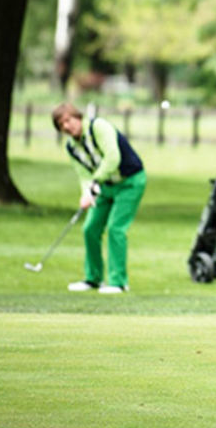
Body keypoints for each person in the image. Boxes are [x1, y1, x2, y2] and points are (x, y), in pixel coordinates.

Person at [52, 102, 147, 294]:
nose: (67, 127)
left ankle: (118, 282)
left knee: (116, 228)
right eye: (61, 125)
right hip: (104, 186)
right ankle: (93, 279)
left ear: (77, 117)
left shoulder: (99, 127)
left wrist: (94, 183)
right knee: (90, 228)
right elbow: (83, 174)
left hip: (130, 182)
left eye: (68, 120)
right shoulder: (71, 147)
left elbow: (113, 158)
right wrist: (86, 192)